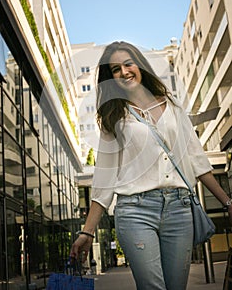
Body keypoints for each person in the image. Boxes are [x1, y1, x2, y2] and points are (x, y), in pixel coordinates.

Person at [70, 41, 232, 289]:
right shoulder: (114, 115)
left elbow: (196, 159)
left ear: (139, 65)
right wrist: (87, 231)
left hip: (179, 209)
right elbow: (104, 179)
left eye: (128, 64)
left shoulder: (172, 104)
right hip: (135, 211)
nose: (124, 72)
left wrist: (227, 202)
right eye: (115, 69)